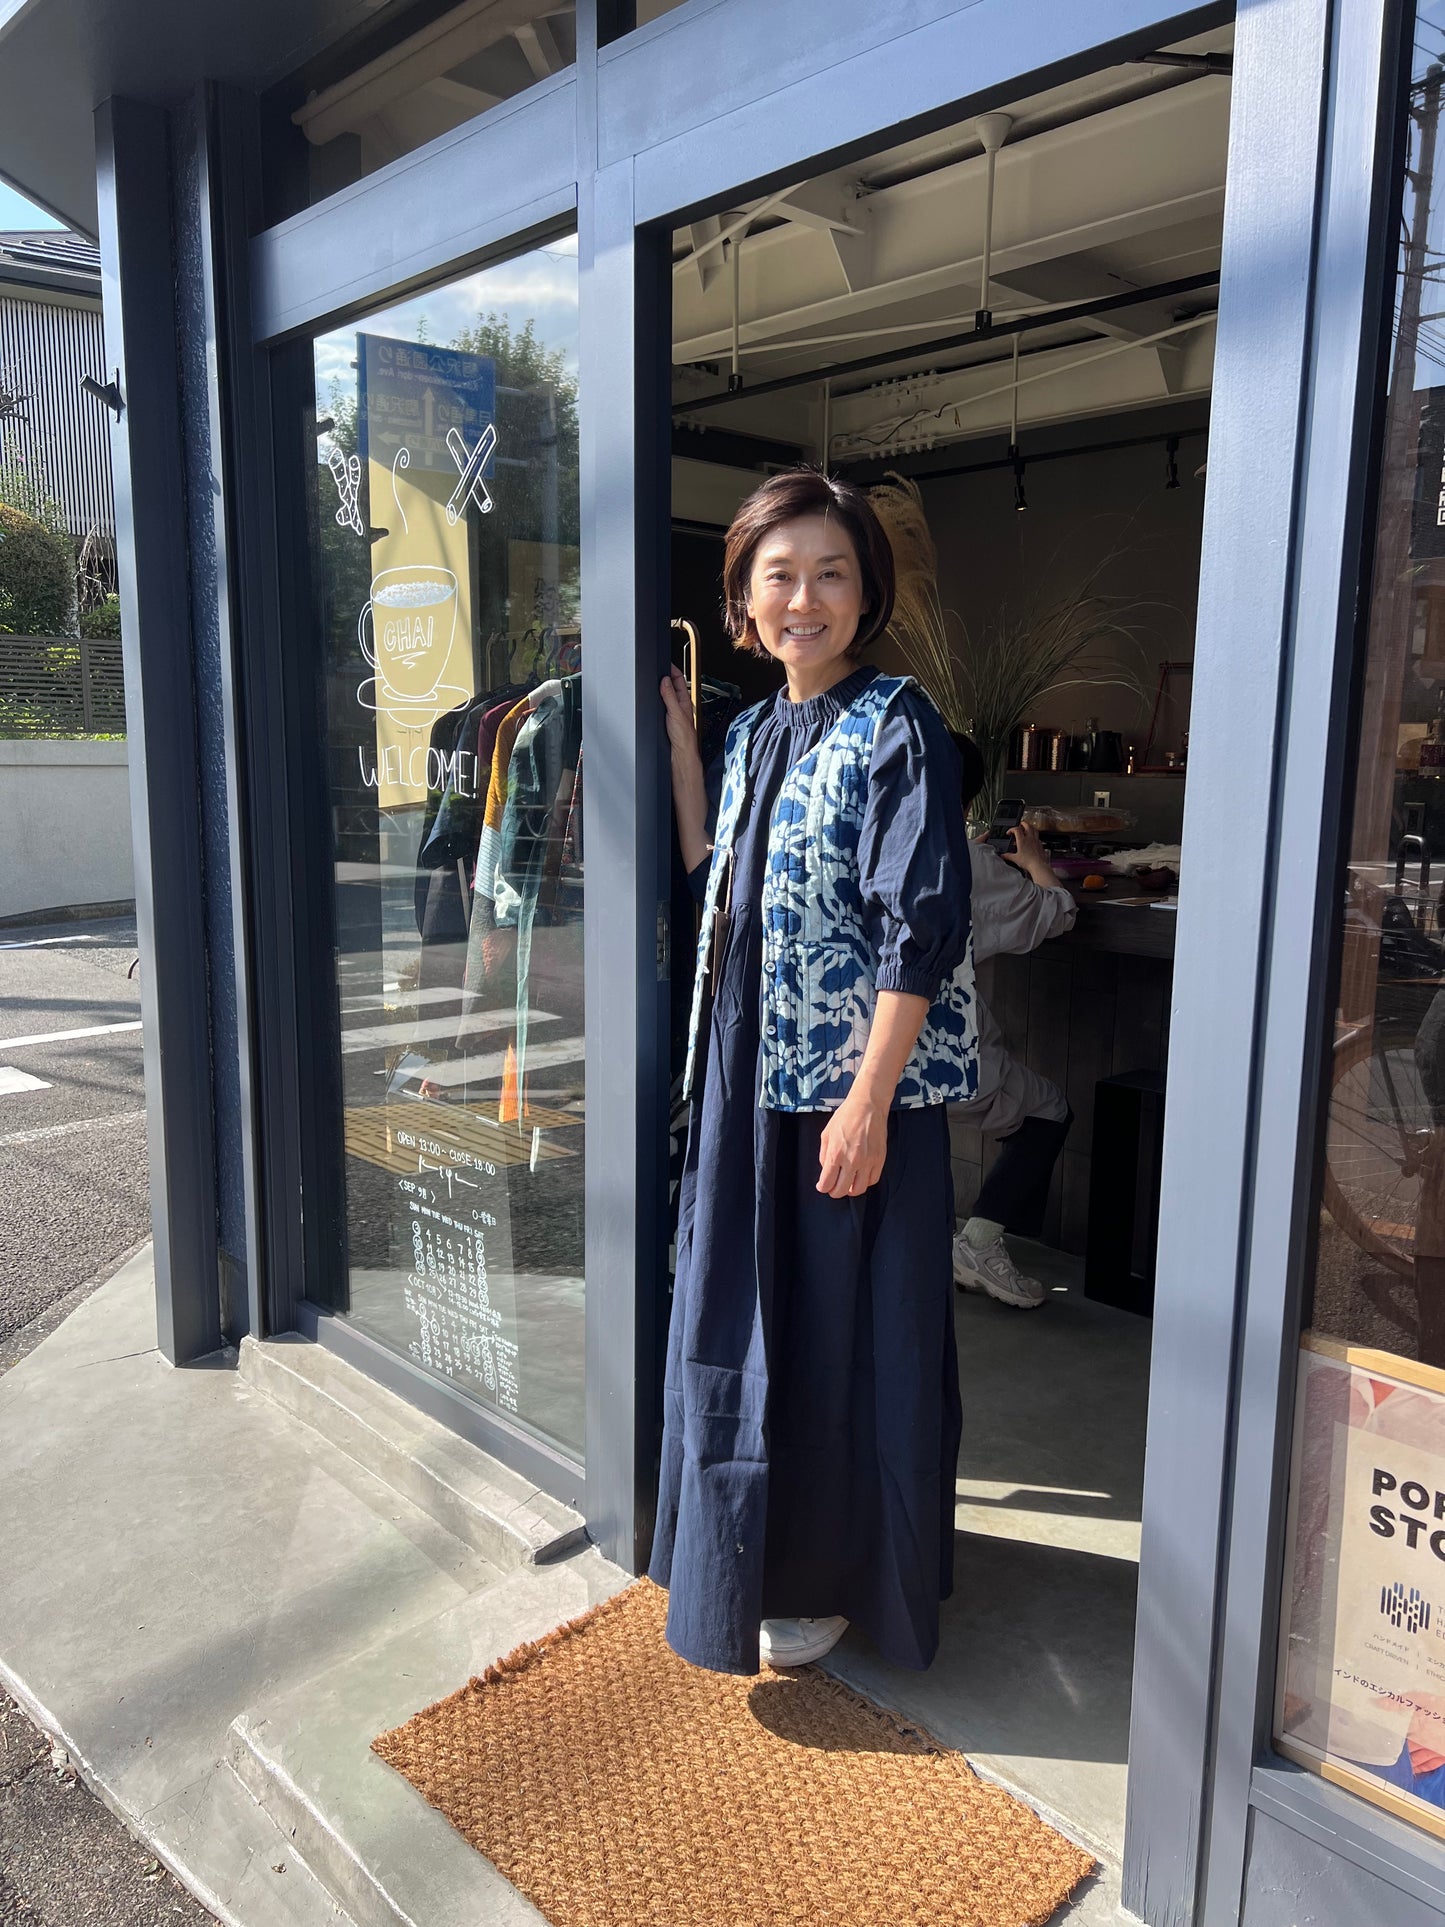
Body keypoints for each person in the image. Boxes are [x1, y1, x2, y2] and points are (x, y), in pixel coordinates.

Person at [649, 469, 978, 1678]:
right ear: (742, 596)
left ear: (864, 592)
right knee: (742, 1323)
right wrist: (687, 748)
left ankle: (837, 1577)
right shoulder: (751, 731)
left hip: (841, 1092)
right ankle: (747, 1562)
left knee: (842, 1335)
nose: (804, 597)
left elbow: (919, 929)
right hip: (746, 1075)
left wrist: (867, 1104)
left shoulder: (898, 725)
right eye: (777, 575)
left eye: (829, 573)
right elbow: (713, 872)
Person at [949, 735, 1077, 1310]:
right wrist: (1036, 865)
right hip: (939, 1052)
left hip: (856, 1052)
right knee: (1048, 1110)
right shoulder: (969, 863)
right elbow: (1057, 913)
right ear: (969, 795)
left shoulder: (861, 847)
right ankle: (979, 1243)